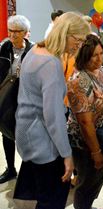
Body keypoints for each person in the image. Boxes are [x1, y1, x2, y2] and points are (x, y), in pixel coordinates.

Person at [14, 12, 90, 209]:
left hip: (27, 133)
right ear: (66, 33)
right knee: (53, 199)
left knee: (41, 192)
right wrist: (67, 155)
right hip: (43, 141)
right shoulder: (51, 63)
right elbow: (53, 117)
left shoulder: (35, 51)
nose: (79, 46)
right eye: (78, 40)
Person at [67, 34, 103, 209]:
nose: (100, 58)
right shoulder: (78, 81)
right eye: (95, 55)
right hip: (87, 144)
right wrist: (96, 152)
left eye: (101, 53)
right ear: (85, 56)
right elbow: (85, 123)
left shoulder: (97, 70)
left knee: (96, 180)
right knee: (86, 185)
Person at [0, 15, 33, 184]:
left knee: (26, 137)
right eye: (10, 31)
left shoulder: (33, 51)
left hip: (25, 100)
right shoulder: (3, 48)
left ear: (27, 33)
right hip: (6, 98)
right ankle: (11, 169)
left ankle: (28, 174)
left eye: (17, 32)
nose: (12, 35)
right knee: (6, 133)